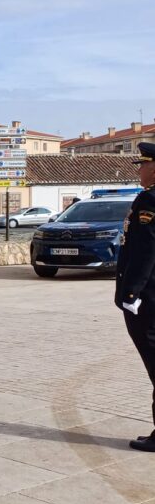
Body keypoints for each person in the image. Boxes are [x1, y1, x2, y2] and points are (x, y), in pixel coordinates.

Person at [116, 142, 155, 451]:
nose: (139, 170)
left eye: (142, 165)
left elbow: (146, 251)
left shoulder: (150, 201)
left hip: (149, 300)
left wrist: (132, 292)